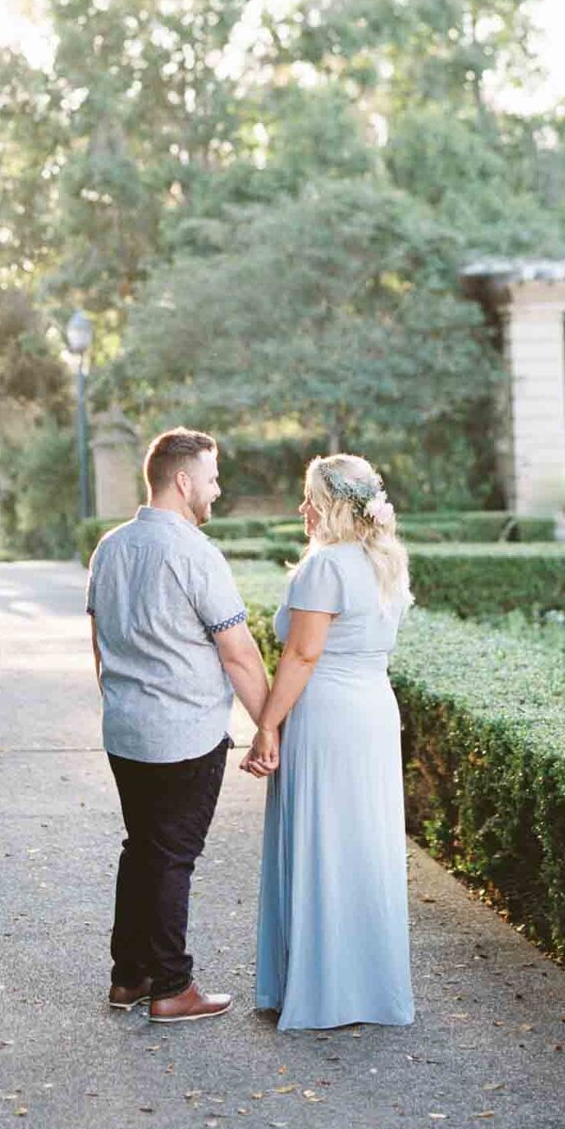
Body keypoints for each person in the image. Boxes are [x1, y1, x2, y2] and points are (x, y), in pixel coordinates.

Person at [86, 427, 271, 1022]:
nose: (217, 491)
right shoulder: (195, 553)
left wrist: (123, 704)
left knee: (142, 850)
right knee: (171, 859)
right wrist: (271, 726)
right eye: (213, 479)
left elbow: (99, 647)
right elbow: (239, 652)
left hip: (126, 732)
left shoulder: (109, 548)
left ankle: (129, 977)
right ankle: (171, 986)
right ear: (184, 480)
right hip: (185, 735)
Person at [243, 453, 415, 1030]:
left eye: (309, 498)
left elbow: (303, 653)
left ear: (332, 506)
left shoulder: (326, 567)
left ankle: (322, 989)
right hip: (372, 709)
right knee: (364, 843)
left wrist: (268, 722)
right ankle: (365, 986)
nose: (301, 509)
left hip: (328, 715)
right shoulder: (386, 562)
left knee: (324, 837)